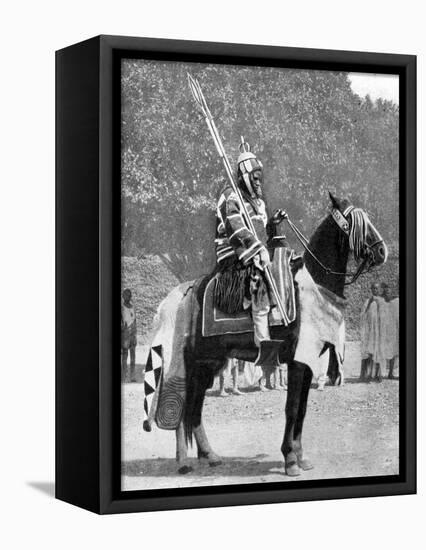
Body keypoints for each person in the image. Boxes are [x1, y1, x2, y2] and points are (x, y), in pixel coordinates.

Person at [214, 140, 287, 361]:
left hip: (252, 254)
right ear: (245, 175)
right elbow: (237, 231)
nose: (258, 182)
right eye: (255, 178)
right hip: (232, 256)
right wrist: (258, 251)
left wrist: (272, 224)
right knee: (260, 284)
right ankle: (262, 342)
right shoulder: (230, 196)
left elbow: (261, 234)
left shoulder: (259, 204)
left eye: (259, 178)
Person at [360, 282, 383, 382]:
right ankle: (366, 374)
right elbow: (362, 314)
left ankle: (378, 375)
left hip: (379, 331)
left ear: (380, 290)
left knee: (378, 353)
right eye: (373, 288)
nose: (375, 290)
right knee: (368, 353)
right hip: (369, 332)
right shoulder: (367, 301)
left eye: (376, 289)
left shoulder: (382, 301)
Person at [380, 283, 399, 379]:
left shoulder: (396, 303)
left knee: (393, 352)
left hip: (392, 331)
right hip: (383, 331)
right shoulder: (381, 303)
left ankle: (390, 373)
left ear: (391, 294)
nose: (387, 294)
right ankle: (379, 373)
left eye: (389, 292)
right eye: (385, 292)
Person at [121, 288, 137, 382]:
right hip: (125, 333)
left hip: (133, 333)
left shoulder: (133, 307)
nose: (129, 296)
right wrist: (123, 328)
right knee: (125, 354)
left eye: (130, 295)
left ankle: (132, 376)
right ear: (123, 296)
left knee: (133, 355)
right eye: (127, 294)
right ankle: (124, 375)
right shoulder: (122, 307)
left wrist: (135, 333)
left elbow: (135, 320)